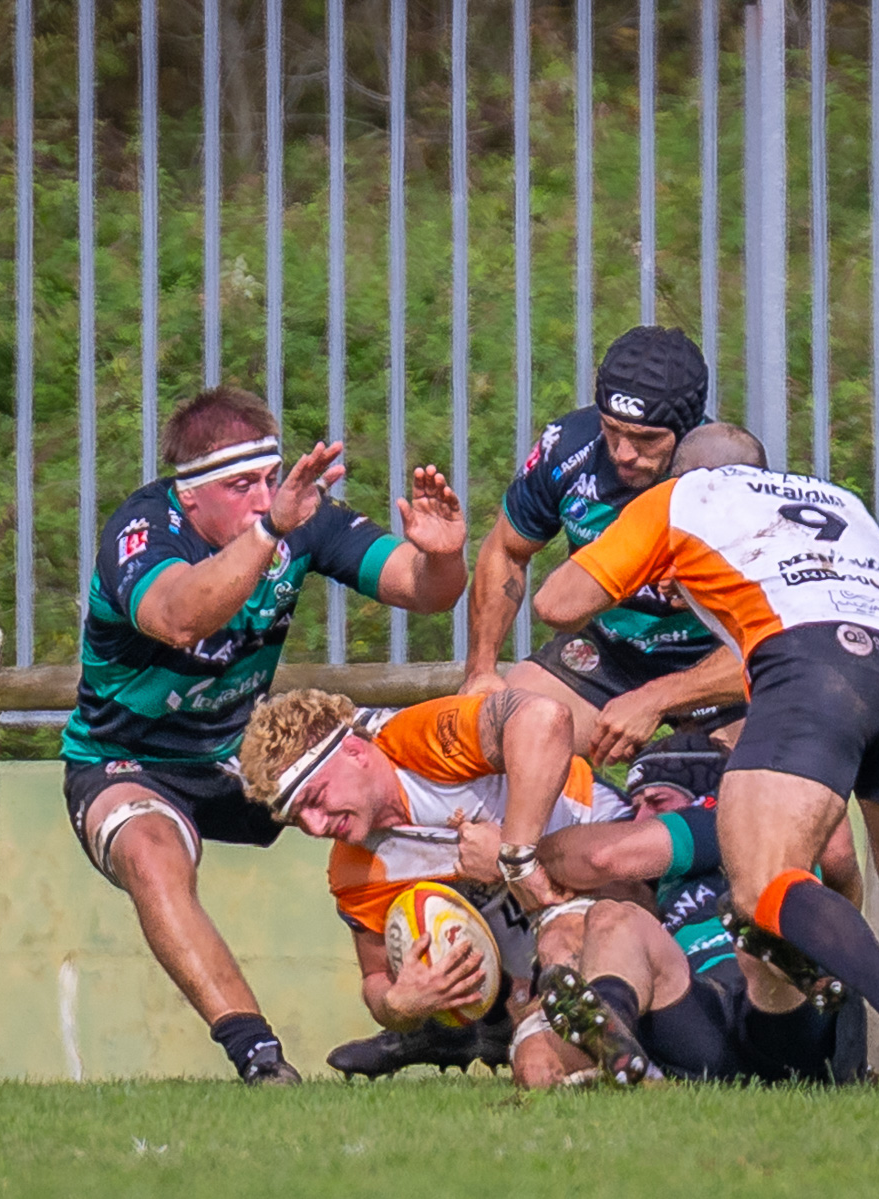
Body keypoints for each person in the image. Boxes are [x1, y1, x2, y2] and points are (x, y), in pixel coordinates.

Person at [533, 425, 879, 1095]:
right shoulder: (839, 499)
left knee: (763, 880)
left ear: (685, 473)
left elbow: (557, 603)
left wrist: (653, 563)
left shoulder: (682, 498)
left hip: (812, 668)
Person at [60, 387, 466, 1084]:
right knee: (152, 855)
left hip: (243, 752)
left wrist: (443, 558)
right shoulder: (144, 530)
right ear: (190, 494)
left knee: (388, 775)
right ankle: (260, 1057)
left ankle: (455, 1008)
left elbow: (422, 589)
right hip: (128, 758)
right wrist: (270, 530)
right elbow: (180, 617)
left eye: (270, 478)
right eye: (240, 484)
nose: (263, 496)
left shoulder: (295, 515)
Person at [236, 688, 630, 1062]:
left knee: (594, 930)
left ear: (354, 751)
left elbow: (544, 717)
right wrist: (399, 1005)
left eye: (315, 799)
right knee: (539, 1065)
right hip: (542, 962)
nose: (315, 825)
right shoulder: (356, 871)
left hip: (608, 853)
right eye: (296, 818)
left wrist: (514, 857)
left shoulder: (419, 739)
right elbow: (375, 979)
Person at [460, 326, 745, 766]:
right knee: (495, 729)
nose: (624, 453)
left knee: (770, 778)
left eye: (647, 439)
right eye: (612, 430)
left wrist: (655, 700)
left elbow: (775, 636)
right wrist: (480, 671)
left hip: (713, 657)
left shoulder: (729, 473)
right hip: (609, 650)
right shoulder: (567, 448)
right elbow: (506, 550)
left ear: (687, 431)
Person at [529, 728, 868, 1088]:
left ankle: (793, 963)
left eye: (657, 802)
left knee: (756, 930)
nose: (640, 819)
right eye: (636, 806)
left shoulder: (735, 820)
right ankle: (610, 1028)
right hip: (707, 1023)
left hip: (795, 1023)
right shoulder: (663, 876)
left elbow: (599, 856)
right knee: (611, 917)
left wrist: (518, 856)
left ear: (706, 797)